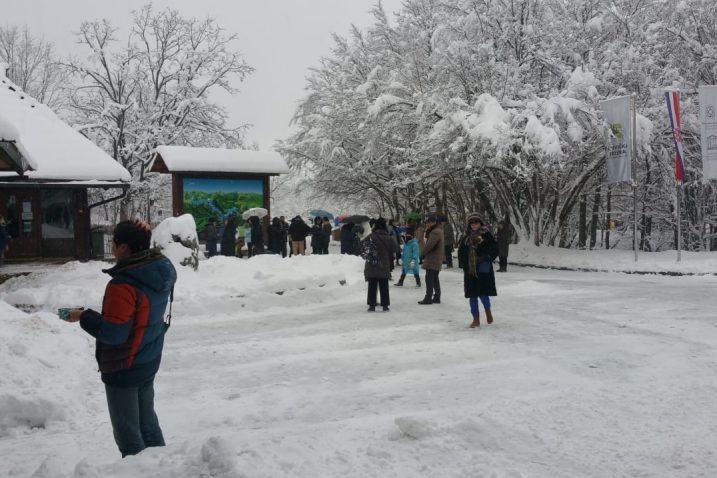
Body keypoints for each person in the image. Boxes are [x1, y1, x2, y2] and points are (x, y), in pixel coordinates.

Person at [67, 220, 177, 457]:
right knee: (148, 424)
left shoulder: (123, 285)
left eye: (114, 242)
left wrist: (84, 316)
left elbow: (114, 334)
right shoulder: (158, 270)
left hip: (124, 367)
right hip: (148, 360)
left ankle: (138, 473)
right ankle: (164, 469)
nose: (113, 247)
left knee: (128, 436)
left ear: (124, 247)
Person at [457, 214, 498, 327]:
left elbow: (494, 249)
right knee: (472, 295)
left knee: (483, 293)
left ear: (480, 224)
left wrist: (486, 257)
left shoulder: (487, 235)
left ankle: (488, 311)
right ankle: (476, 319)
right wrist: (462, 263)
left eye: (476, 223)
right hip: (470, 270)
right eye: (472, 223)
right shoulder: (466, 237)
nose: (474, 225)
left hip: (483, 269)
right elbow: (461, 251)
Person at [364, 217, 398, 312]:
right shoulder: (388, 237)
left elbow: (363, 246)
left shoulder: (371, 236)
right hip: (384, 264)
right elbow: (395, 248)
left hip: (372, 264)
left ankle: (372, 305)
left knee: (372, 285)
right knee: (384, 285)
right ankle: (385, 305)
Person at [418, 214, 444, 305]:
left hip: (433, 257)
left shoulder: (435, 232)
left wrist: (422, 253)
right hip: (436, 257)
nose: (428, 224)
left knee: (429, 277)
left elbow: (429, 245)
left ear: (435, 222)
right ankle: (437, 296)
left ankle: (428, 297)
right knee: (434, 278)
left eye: (430, 222)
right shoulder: (438, 230)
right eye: (427, 222)